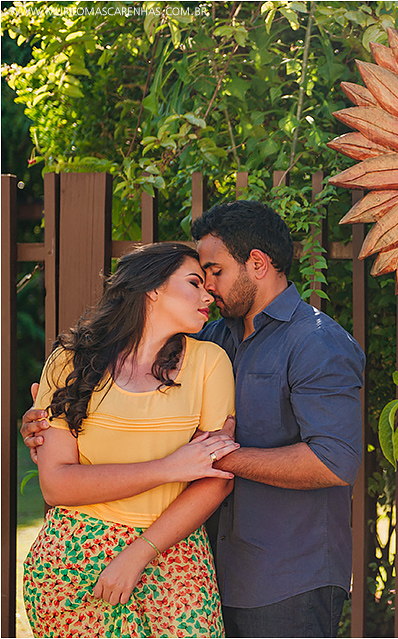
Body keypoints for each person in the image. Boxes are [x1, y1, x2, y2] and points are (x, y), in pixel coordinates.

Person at [22, 200, 365, 637]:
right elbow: (124, 397)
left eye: (215, 272)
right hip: (208, 566)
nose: (208, 289)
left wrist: (212, 459)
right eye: (198, 279)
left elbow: (334, 461)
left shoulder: (317, 342)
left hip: (287, 573)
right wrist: (46, 420)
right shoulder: (212, 336)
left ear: (256, 264)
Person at [23, 242, 240, 638]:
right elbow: (56, 484)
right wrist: (168, 468)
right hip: (72, 557)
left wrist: (138, 554)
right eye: (194, 282)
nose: (209, 294)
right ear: (152, 287)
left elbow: (214, 479)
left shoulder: (210, 363)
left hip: (173, 554)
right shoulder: (69, 361)